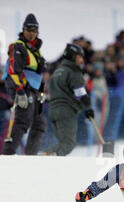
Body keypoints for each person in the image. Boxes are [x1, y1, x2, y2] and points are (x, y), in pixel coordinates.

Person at [1, 13, 46, 155]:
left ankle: (31, 155)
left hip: (33, 89)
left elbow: (38, 73)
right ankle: (8, 154)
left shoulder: (35, 49)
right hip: (19, 86)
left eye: (35, 31)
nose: (32, 34)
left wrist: (41, 91)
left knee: (39, 123)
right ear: (23, 30)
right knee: (23, 119)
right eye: (29, 30)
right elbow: (14, 71)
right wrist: (20, 91)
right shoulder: (19, 47)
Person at [43, 43, 94, 156]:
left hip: (53, 111)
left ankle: (47, 157)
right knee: (68, 143)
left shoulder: (57, 71)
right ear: (73, 56)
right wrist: (88, 108)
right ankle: (45, 158)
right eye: (80, 56)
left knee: (63, 142)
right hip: (66, 111)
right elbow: (81, 93)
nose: (82, 60)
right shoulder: (74, 72)